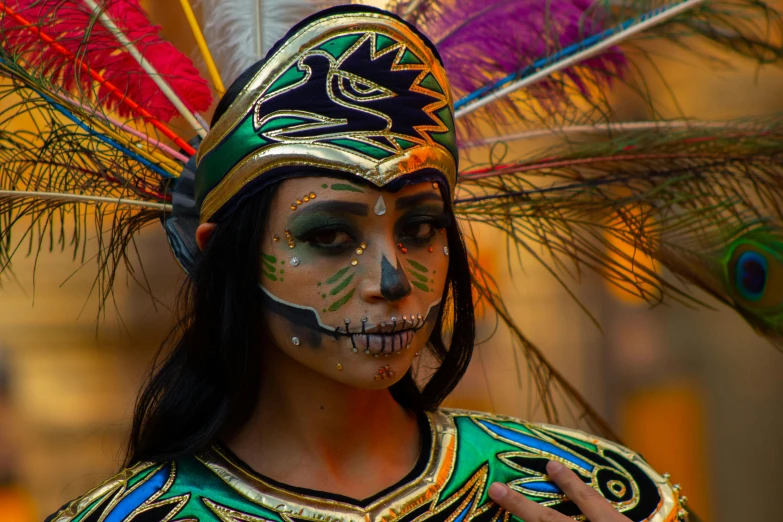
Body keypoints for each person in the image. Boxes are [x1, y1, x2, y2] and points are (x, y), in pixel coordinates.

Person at [45, 6, 687, 522]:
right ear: (228, 257)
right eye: (328, 236)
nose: (393, 280)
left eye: (421, 228)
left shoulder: (592, 495)